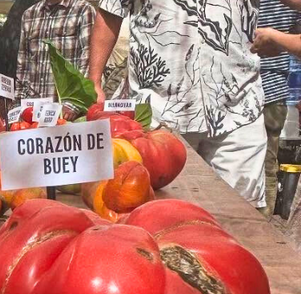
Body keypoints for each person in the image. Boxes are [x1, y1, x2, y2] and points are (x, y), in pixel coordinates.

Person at [87, 0, 268, 209]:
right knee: (154, 211)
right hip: (160, 113)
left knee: (241, 215)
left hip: (239, 109)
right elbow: (111, 12)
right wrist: (94, 80)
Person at [253, 1, 301, 211]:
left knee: (265, 167)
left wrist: (274, 36)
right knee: (267, 166)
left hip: (266, 87)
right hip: (273, 89)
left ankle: (264, 231)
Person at [15, 0, 94, 102]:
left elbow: (89, 58)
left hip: (66, 105)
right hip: (34, 106)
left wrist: (75, 102)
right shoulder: (29, 14)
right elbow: (23, 62)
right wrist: (19, 100)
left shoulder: (83, 10)